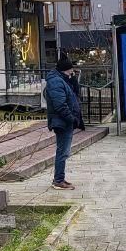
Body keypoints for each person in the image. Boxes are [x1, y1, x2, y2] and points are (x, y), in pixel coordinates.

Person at [44, 55, 81, 190]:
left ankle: (60, 178)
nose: (72, 73)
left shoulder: (62, 80)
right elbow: (60, 105)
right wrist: (72, 118)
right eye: (70, 71)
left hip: (65, 121)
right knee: (62, 151)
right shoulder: (56, 82)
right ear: (64, 70)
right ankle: (58, 180)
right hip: (61, 122)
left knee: (64, 151)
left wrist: (74, 80)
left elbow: (75, 94)